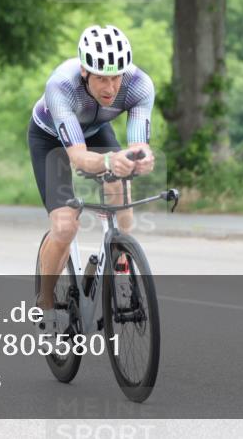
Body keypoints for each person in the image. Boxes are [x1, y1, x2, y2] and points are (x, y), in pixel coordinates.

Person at [28, 24, 156, 333]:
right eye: (101, 77)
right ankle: (45, 303)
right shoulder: (61, 85)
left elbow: (138, 145)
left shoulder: (139, 85)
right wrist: (112, 159)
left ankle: (120, 261)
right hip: (52, 142)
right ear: (85, 71)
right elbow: (79, 158)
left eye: (116, 77)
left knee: (119, 185)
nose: (110, 87)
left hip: (96, 131)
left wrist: (140, 157)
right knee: (64, 225)